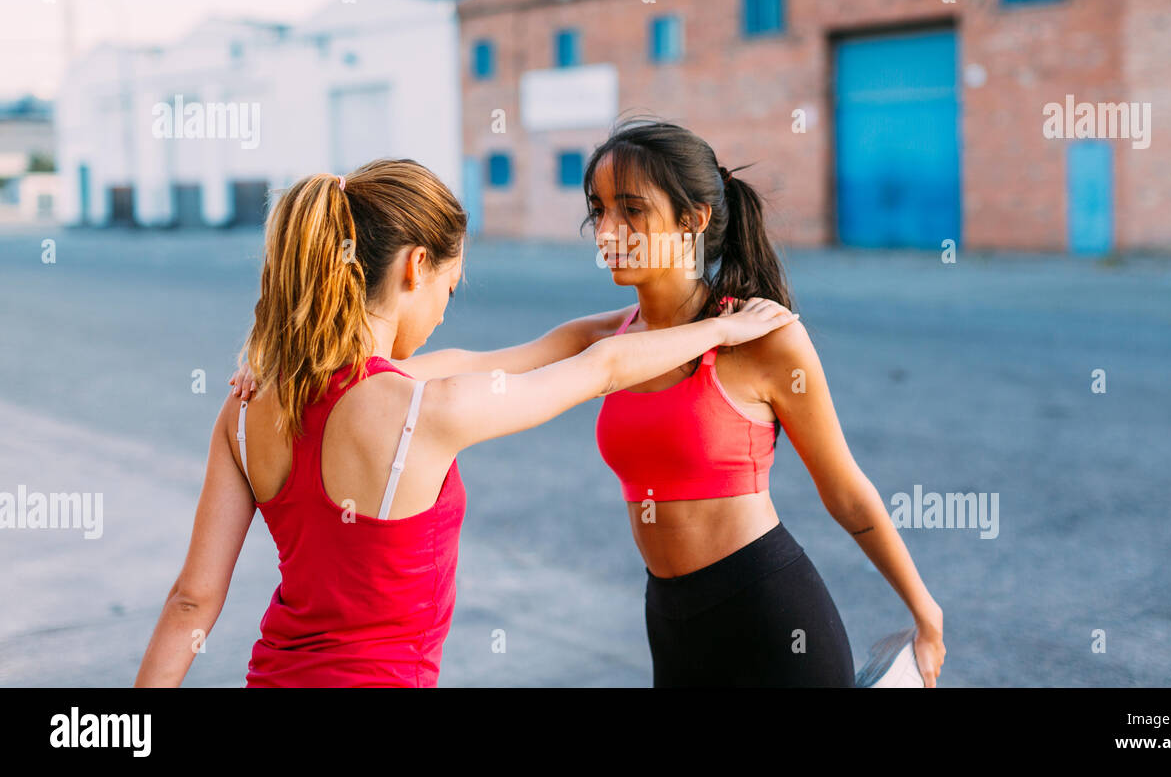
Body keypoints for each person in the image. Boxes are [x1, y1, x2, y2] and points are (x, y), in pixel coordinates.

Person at [134, 157, 798, 687]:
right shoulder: (427, 412)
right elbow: (604, 370)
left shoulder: (247, 408)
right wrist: (725, 325)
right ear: (416, 266)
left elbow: (193, 601)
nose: (443, 315)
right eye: (448, 291)